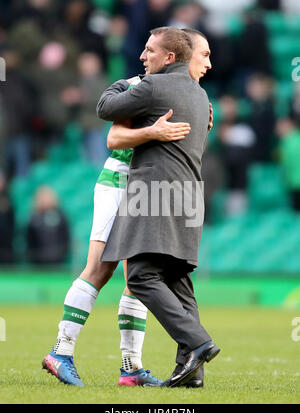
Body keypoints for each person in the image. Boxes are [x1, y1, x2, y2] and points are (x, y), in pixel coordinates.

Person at [42, 27, 213, 388]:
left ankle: (131, 367)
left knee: (137, 280)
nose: (207, 64)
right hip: (120, 180)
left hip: (149, 190)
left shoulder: (194, 96)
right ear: (182, 56)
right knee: (99, 269)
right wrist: (153, 132)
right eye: (204, 56)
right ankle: (61, 350)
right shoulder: (142, 85)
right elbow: (114, 138)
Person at [98, 26, 220, 388]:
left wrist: (125, 83)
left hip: (154, 194)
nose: (142, 56)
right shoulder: (201, 96)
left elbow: (106, 107)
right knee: (177, 280)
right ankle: (192, 372)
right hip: (189, 198)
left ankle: (198, 342)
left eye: (149, 51)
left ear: (169, 58)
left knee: (140, 276)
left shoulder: (153, 87)